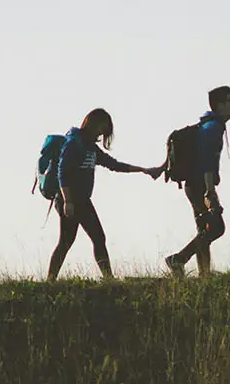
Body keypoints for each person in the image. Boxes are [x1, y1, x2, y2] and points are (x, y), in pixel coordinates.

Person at [49, 108, 161, 281]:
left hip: (83, 201)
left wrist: (143, 170)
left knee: (91, 238)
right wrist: (67, 201)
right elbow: (62, 172)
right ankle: (52, 281)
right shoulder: (74, 143)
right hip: (69, 200)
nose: (102, 133)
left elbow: (113, 165)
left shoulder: (90, 147)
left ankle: (108, 279)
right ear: (94, 123)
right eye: (103, 128)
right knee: (70, 241)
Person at [165, 85, 230, 277]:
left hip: (194, 184)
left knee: (204, 229)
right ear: (219, 106)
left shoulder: (210, 125)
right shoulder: (213, 128)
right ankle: (178, 259)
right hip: (200, 185)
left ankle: (204, 274)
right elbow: (207, 160)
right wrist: (210, 190)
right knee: (216, 227)